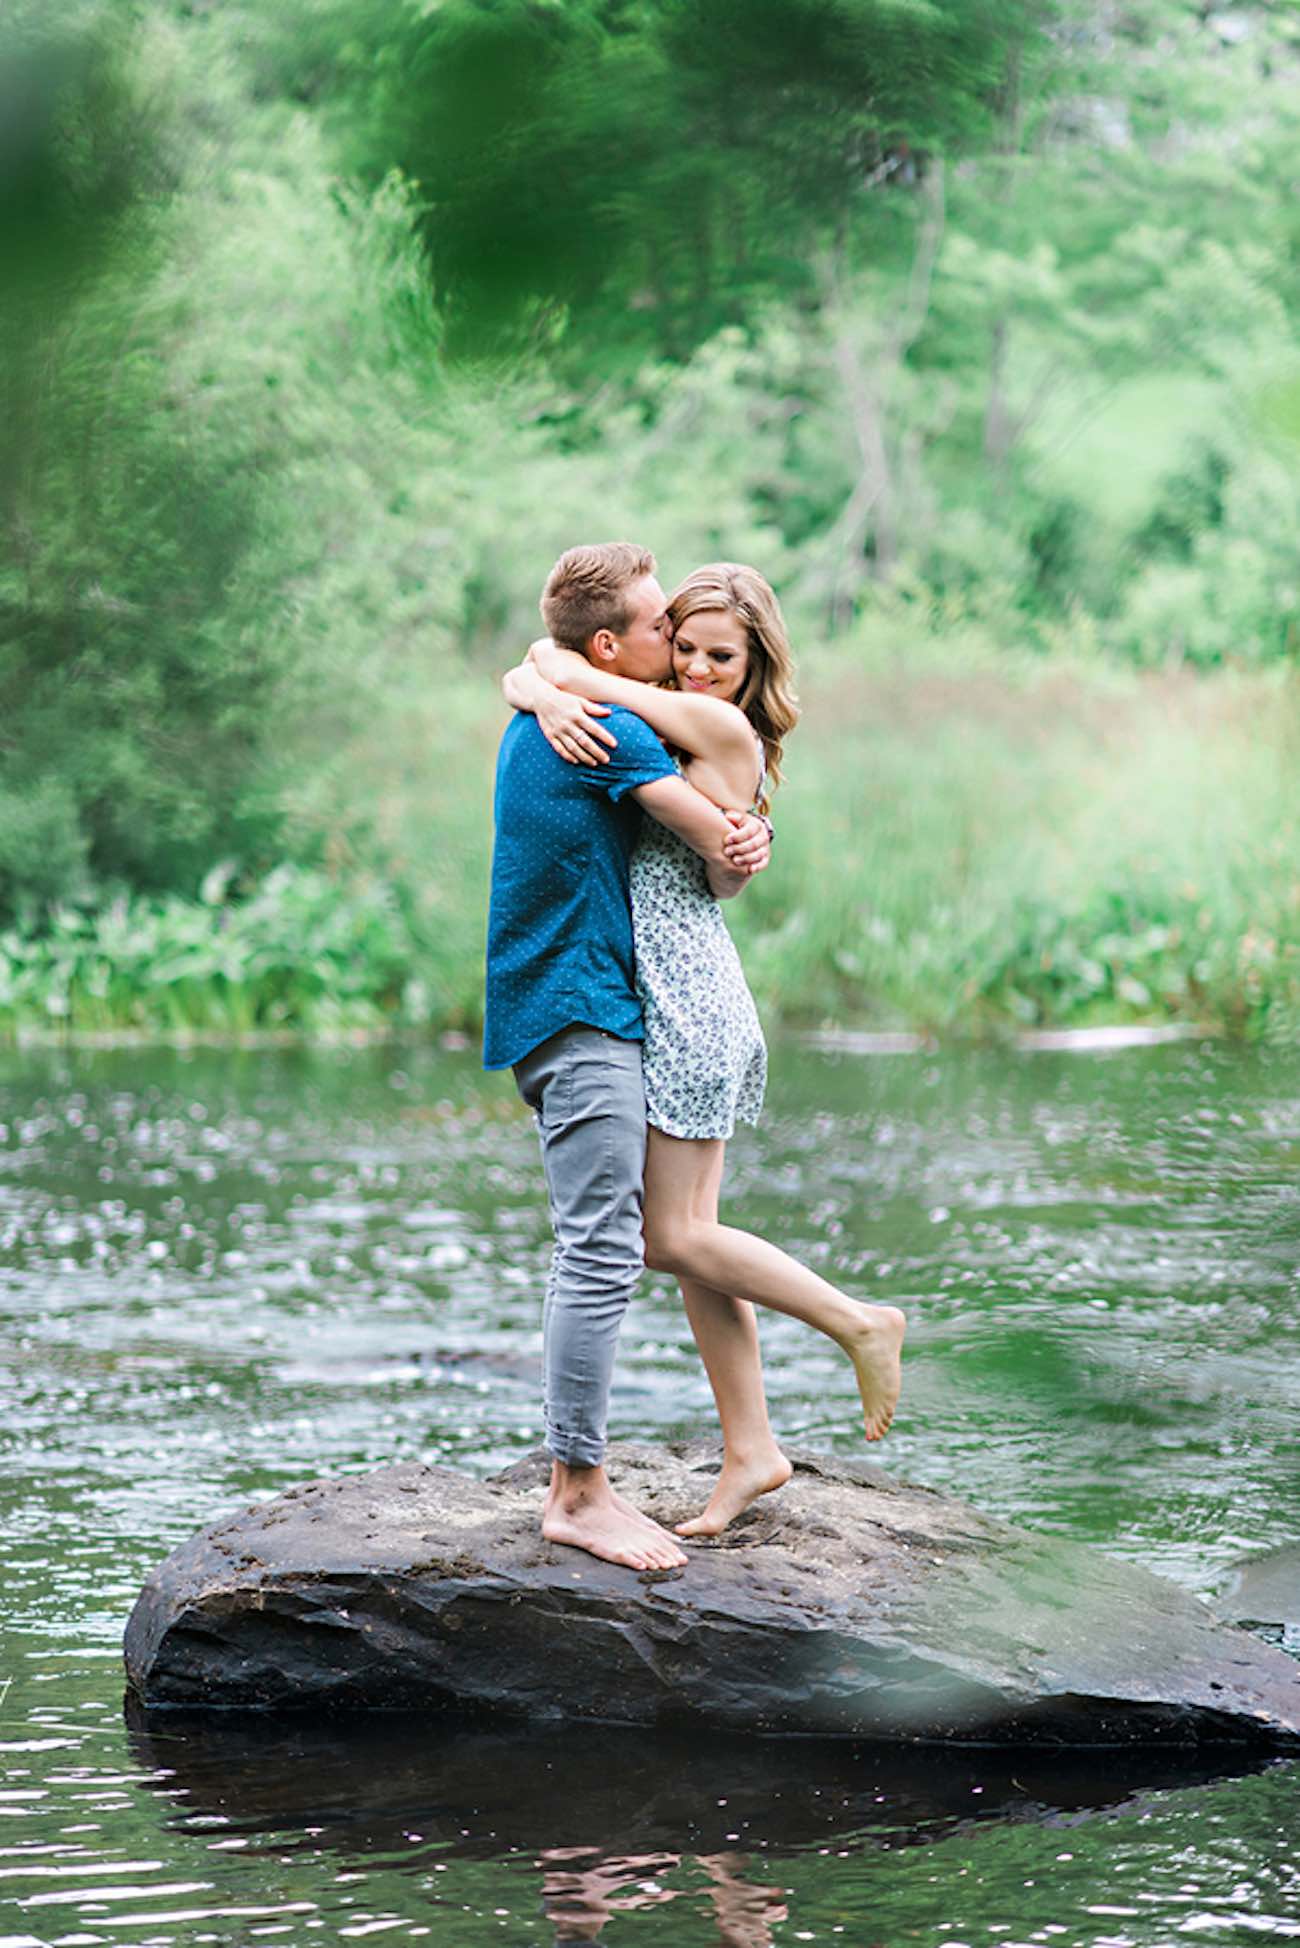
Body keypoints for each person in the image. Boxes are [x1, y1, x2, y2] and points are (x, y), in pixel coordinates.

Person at [504, 563, 905, 1538]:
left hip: (684, 997)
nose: (693, 667)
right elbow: (561, 662)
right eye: (682, 646)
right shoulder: (678, 712)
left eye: (719, 656)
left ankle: (857, 1320)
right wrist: (530, 679)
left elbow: (584, 675)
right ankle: (750, 1449)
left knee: (668, 1238)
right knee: (696, 1249)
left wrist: (543, 680)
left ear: (753, 662)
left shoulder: (721, 730)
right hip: (677, 989)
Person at [484, 542, 772, 1572]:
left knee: (629, 1238)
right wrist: (740, 835)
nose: (678, 652)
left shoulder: (577, 701)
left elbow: (551, 661)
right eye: (663, 631)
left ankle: (748, 1444)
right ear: (610, 644)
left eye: (704, 645)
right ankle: (577, 1494)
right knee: (604, 1246)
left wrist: (544, 670)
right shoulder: (603, 724)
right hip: (581, 1005)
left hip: (587, 1001)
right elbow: (714, 833)